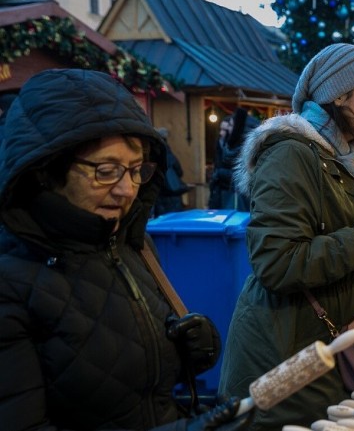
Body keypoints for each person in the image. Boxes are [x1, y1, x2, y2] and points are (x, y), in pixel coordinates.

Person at [0, 69, 249, 431]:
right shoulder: (10, 282)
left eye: (135, 170)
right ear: (45, 172)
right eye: (105, 171)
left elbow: (137, 386)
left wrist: (191, 349)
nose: (126, 190)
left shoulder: (134, 246)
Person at [218, 43, 354, 429]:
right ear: (338, 94)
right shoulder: (291, 154)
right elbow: (277, 262)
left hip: (331, 357)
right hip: (287, 363)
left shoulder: (346, 158)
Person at [208, 108, 257, 211]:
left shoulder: (247, 152)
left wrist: (220, 173)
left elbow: (244, 179)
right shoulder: (229, 148)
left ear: (239, 127)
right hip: (230, 197)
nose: (227, 131)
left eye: (230, 126)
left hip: (241, 205)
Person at [154, 127, 189, 216]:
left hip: (161, 198)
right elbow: (180, 172)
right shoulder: (169, 153)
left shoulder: (153, 155)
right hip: (174, 196)